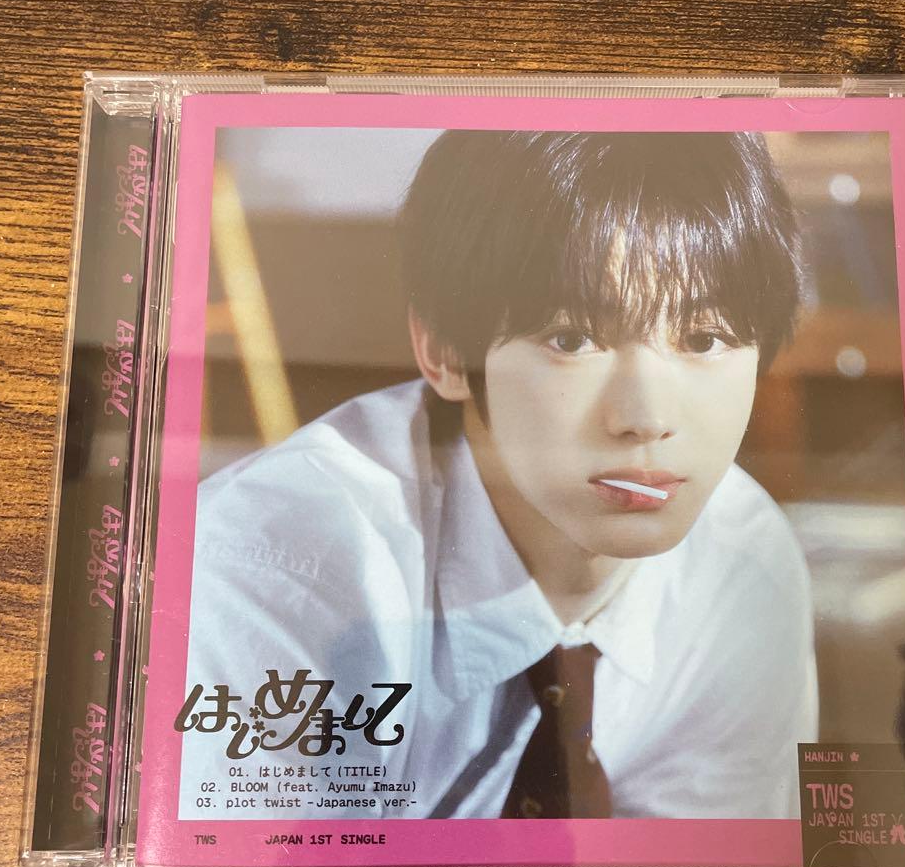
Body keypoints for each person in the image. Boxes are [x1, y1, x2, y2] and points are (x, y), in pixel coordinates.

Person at [177, 130, 818, 822]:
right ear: (445, 351)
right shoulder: (269, 582)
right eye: (572, 339)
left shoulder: (739, 565)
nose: (647, 419)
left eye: (703, 339)